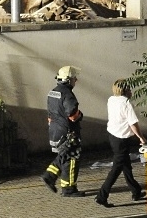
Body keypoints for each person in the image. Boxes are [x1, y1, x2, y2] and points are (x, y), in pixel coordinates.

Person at [95, 79, 147, 207]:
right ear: (125, 90)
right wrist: (141, 137)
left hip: (113, 136)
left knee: (126, 166)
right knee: (117, 168)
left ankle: (136, 191)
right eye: (129, 88)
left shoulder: (111, 99)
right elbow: (133, 123)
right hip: (122, 139)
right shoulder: (126, 103)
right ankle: (102, 196)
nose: (131, 91)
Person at [41, 66, 85, 197]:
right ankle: (66, 187)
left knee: (65, 157)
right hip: (68, 132)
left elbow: (50, 114)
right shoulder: (67, 94)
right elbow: (73, 115)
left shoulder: (52, 92)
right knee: (72, 158)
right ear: (67, 79)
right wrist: (80, 115)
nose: (75, 80)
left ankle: (58, 182)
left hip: (55, 130)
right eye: (73, 78)